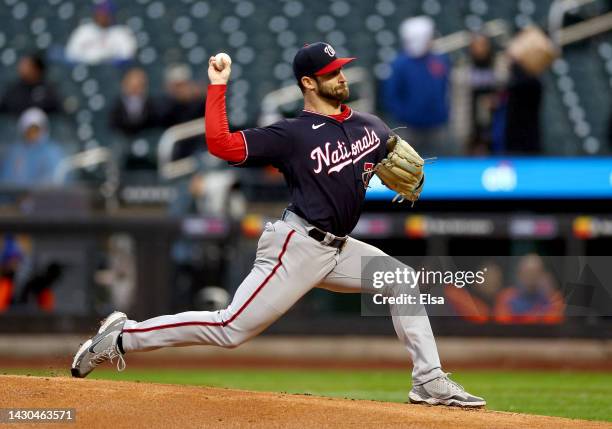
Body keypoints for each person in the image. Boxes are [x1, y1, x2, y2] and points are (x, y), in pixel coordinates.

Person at [71, 42, 485, 408]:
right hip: (297, 245)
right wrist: (218, 86)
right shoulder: (292, 134)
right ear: (308, 82)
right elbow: (221, 144)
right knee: (230, 328)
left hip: (339, 249)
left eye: (340, 69)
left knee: (402, 280)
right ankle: (123, 336)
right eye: (330, 73)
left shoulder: (370, 126)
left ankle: (428, 380)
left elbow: (395, 159)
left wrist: (399, 165)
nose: (340, 77)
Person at [382, 16, 453, 156]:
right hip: (409, 128)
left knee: (440, 164)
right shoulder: (400, 64)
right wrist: (404, 116)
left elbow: (445, 88)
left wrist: (443, 113)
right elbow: (391, 96)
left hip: (437, 126)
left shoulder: (439, 60)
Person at [0, 108, 65, 186]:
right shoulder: (15, 152)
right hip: (16, 196)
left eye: (36, 130)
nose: (33, 134)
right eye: (29, 130)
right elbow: (6, 182)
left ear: (44, 129)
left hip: (46, 196)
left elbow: (58, 181)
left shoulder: (53, 152)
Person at [65, 0, 136, 65]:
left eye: (106, 13)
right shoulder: (84, 30)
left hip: (113, 72)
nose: (102, 16)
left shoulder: (121, 32)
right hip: (86, 67)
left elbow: (128, 56)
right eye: (100, 12)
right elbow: (71, 54)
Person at [109, 68, 159, 137]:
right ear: (125, 86)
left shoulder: (152, 104)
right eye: (132, 86)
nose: (135, 90)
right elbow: (112, 127)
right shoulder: (116, 105)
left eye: (139, 86)